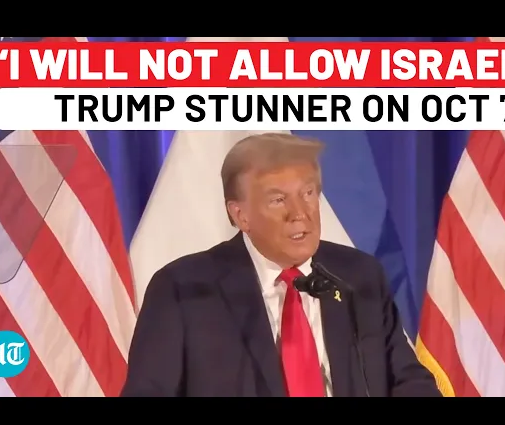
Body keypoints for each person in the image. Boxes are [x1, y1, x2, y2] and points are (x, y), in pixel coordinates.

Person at [121, 132, 441, 397]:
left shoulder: (358, 276)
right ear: (240, 215)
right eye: (278, 200)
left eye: (308, 193)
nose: (299, 213)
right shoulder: (184, 289)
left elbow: (408, 380)